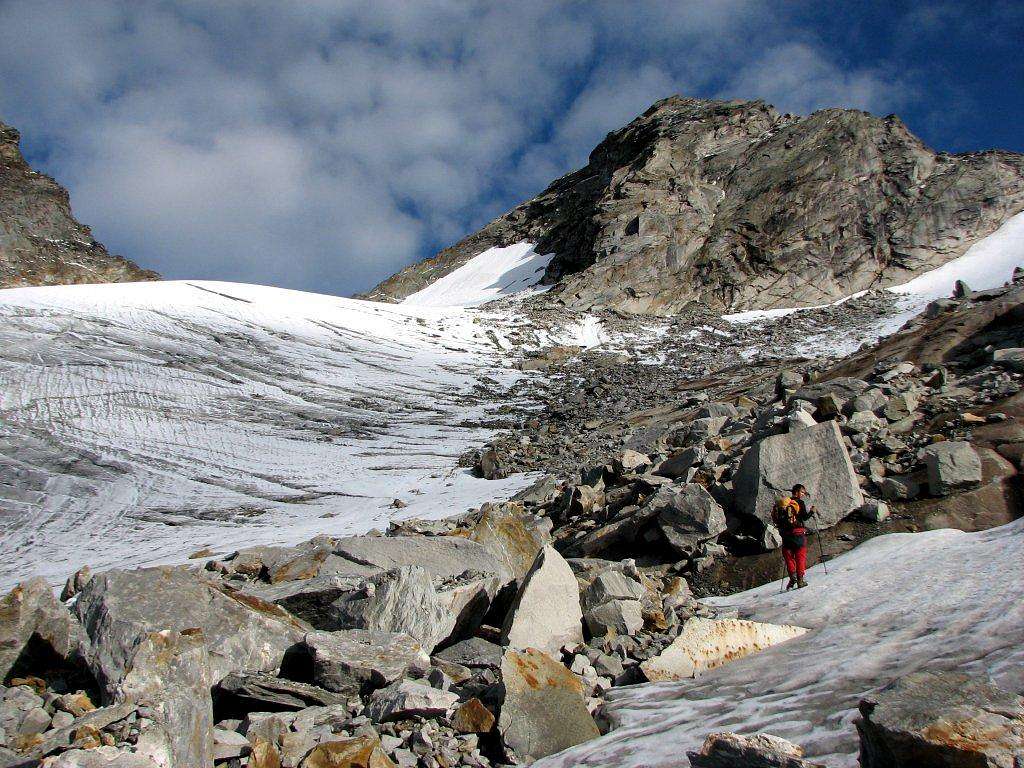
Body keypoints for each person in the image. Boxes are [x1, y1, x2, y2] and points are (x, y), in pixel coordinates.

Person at [773, 483, 815, 590]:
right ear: (796, 492)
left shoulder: (783, 504)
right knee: (800, 556)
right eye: (802, 492)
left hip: (786, 534)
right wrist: (812, 512)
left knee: (789, 556)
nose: (803, 494)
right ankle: (800, 580)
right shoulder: (799, 502)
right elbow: (804, 517)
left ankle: (792, 577)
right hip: (798, 533)